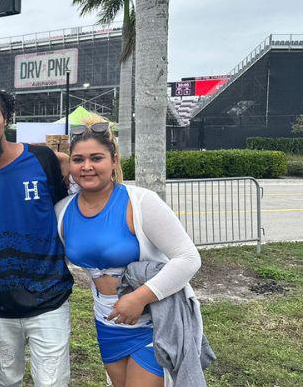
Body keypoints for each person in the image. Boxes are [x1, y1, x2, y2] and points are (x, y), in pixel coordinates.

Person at [56, 125, 209, 386]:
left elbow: (188, 258)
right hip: (107, 322)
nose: (86, 166)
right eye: (78, 159)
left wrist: (138, 298)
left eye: (96, 158)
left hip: (151, 321)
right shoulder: (63, 210)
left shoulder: (140, 202)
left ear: (114, 160)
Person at [0, 85, 72, 387]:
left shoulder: (44, 159)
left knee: (52, 383)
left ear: (6, 118)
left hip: (50, 296)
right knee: (7, 380)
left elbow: (63, 211)